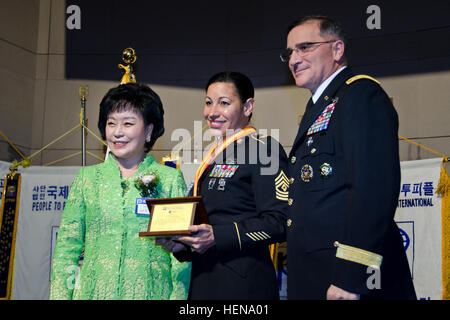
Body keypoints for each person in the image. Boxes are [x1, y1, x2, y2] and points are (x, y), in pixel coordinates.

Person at [281, 15, 417, 300]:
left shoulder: (360, 95)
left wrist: (352, 276)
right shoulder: (319, 105)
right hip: (315, 272)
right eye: (290, 52)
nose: (294, 58)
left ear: (337, 49)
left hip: (349, 280)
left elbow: (373, 190)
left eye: (304, 47)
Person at [50, 83, 190, 300]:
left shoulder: (169, 180)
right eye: (111, 123)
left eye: (127, 123)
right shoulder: (87, 179)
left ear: (149, 131)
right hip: (93, 294)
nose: (117, 132)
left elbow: (181, 257)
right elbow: (67, 248)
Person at [158, 71, 289, 299]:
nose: (212, 112)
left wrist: (217, 236)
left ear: (248, 107)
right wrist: (183, 245)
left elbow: (278, 222)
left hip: (242, 284)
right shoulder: (216, 153)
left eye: (224, 103)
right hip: (204, 278)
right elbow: (211, 222)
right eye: (208, 103)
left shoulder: (263, 149)